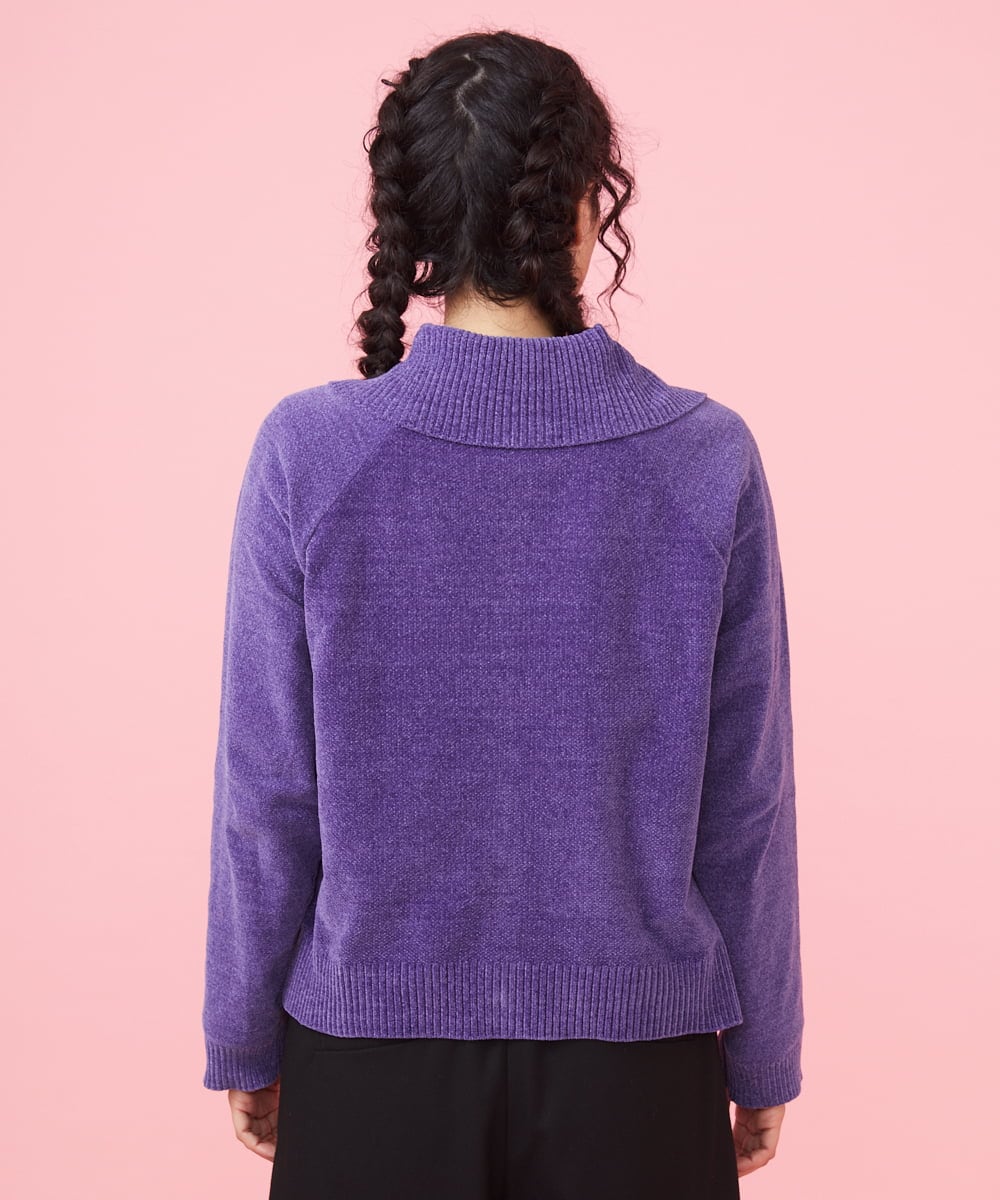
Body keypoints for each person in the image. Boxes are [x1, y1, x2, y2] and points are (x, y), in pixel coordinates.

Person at [201, 27, 804, 1200]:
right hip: (639, 1070)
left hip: (367, 1065)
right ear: (584, 204)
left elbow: (266, 786)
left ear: (417, 225)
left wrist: (242, 1032)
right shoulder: (702, 457)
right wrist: (765, 1051)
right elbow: (747, 800)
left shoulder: (309, 452)